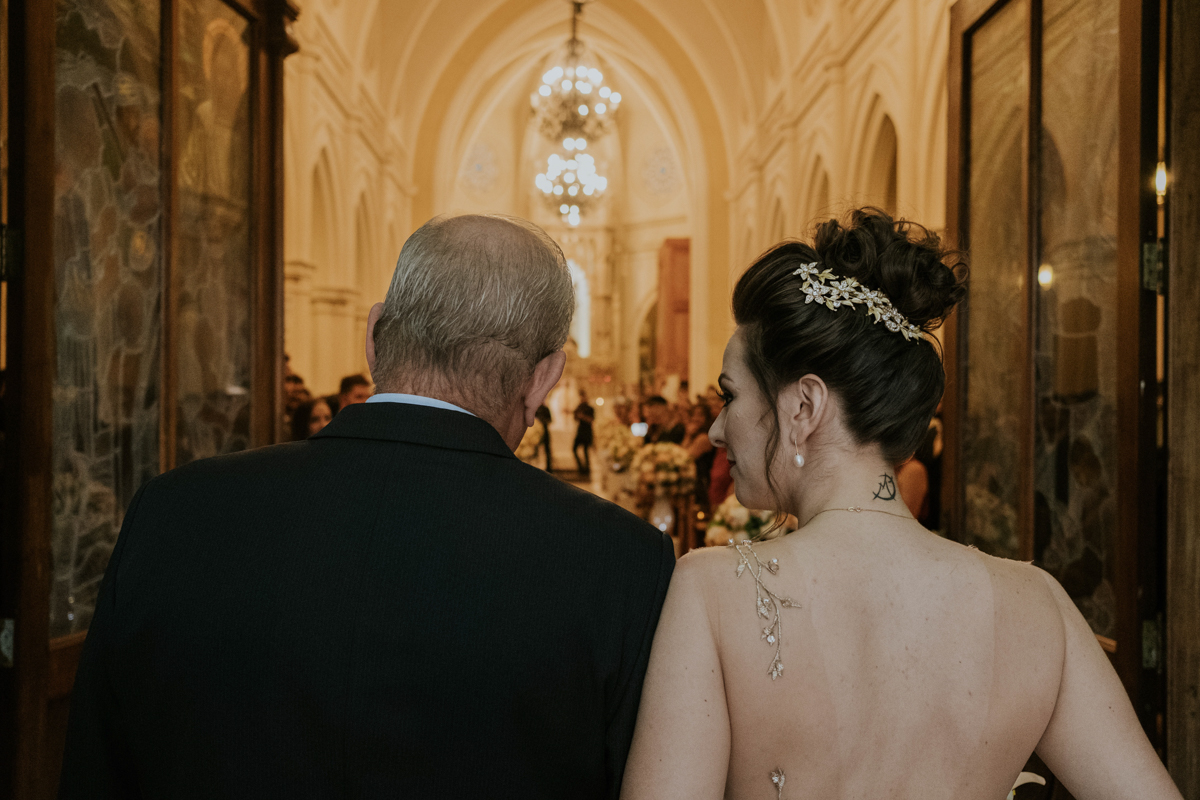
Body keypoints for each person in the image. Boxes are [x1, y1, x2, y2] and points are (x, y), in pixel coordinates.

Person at [60, 214, 675, 799]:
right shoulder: (618, 561)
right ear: (545, 378)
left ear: (375, 337)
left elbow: (97, 773)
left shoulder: (176, 513)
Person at [620, 209, 1182, 800]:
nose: (714, 429)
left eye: (729, 396)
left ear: (804, 407)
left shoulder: (712, 591)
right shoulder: (1040, 605)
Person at [573, 390, 595, 474]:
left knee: (586, 451)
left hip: (587, 431)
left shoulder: (590, 408)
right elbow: (575, 418)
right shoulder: (579, 407)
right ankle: (581, 467)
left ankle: (587, 469)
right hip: (580, 431)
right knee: (574, 449)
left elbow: (591, 419)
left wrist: (583, 417)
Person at [535, 403, 553, 471]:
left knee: (547, 451)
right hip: (537, 432)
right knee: (536, 451)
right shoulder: (536, 409)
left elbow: (550, 420)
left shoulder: (545, 409)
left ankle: (549, 468)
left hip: (544, 431)